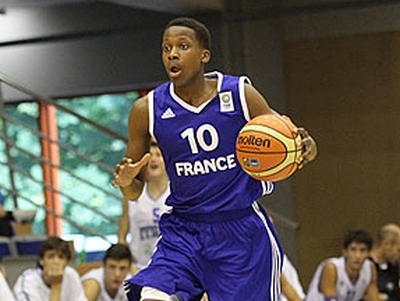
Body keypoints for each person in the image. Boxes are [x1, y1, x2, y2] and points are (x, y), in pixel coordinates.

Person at [112, 17, 317, 301]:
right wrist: (125, 182)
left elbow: (288, 141)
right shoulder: (146, 110)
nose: (172, 53)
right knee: (153, 295)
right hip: (185, 231)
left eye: (183, 46)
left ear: (204, 55)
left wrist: (306, 147)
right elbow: (134, 192)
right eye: (166, 48)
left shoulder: (239, 94)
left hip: (240, 231)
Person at [118, 139, 170, 269]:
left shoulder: (177, 193)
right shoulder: (133, 194)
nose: (154, 159)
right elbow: (122, 237)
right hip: (138, 267)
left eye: (158, 155)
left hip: (171, 268)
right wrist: (129, 267)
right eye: (150, 156)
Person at [306, 229, 380, 301]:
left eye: (362, 250)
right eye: (353, 250)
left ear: (369, 253)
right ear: (345, 252)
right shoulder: (332, 268)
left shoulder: (370, 268)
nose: (358, 256)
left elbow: (373, 297)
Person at [13, 236, 87, 301]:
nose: (56, 262)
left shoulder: (71, 275)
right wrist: (56, 285)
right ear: (41, 260)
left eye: (61, 257)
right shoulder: (28, 281)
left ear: (67, 262)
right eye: (50, 256)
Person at [369, 223, 400, 301]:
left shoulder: (393, 267)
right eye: (398, 250)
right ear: (386, 244)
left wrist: (384, 298)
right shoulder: (365, 265)